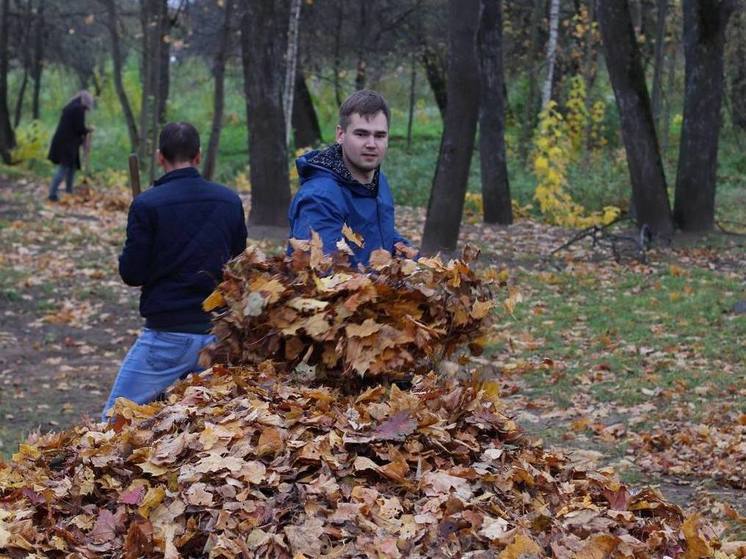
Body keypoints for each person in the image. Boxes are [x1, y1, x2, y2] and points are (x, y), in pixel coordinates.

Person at [101, 122, 247, 420]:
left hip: (166, 337)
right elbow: (239, 265)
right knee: (206, 425)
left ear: (159, 157)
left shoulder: (147, 205)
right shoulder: (229, 201)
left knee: (114, 421)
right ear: (198, 156)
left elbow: (132, 273)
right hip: (218, 336)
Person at [288, 89, 410, 267]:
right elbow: (322, 275)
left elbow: (383, 236)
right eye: (361, 134)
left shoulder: (378, 181)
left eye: (380, 135)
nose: (371, 144)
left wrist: (417, 263)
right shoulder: (320, 197)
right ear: (340, 135)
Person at [47, 90, 94, 201]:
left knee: (71, 167)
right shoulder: (78, 109)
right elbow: (79, 128)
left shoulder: (71, 107)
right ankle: (52, 193)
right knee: (63, 167)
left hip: (66, 142)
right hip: (67, 144)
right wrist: (88, 129)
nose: (86, 110)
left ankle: (69, 191)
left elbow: (75, 127)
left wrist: (84, 131)